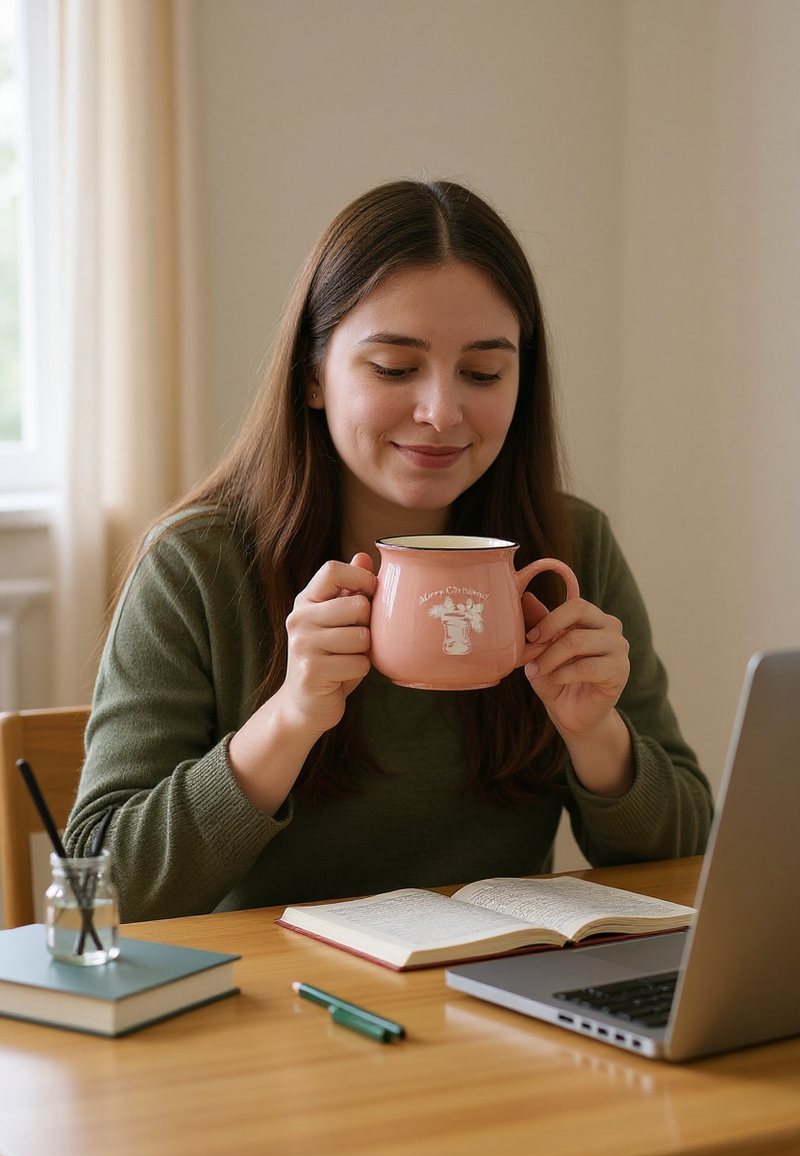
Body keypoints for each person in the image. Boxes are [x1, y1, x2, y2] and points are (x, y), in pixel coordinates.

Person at [65, 179, 713, 923]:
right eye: (394, 368)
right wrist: (290, 717)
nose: (441, 412)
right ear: (313, 375)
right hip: (275, 1015)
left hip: (500, 997)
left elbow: (688, 856)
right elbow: (100, 888)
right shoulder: (197, 566)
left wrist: (597, 733)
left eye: (483, 373)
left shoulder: (571, 551)